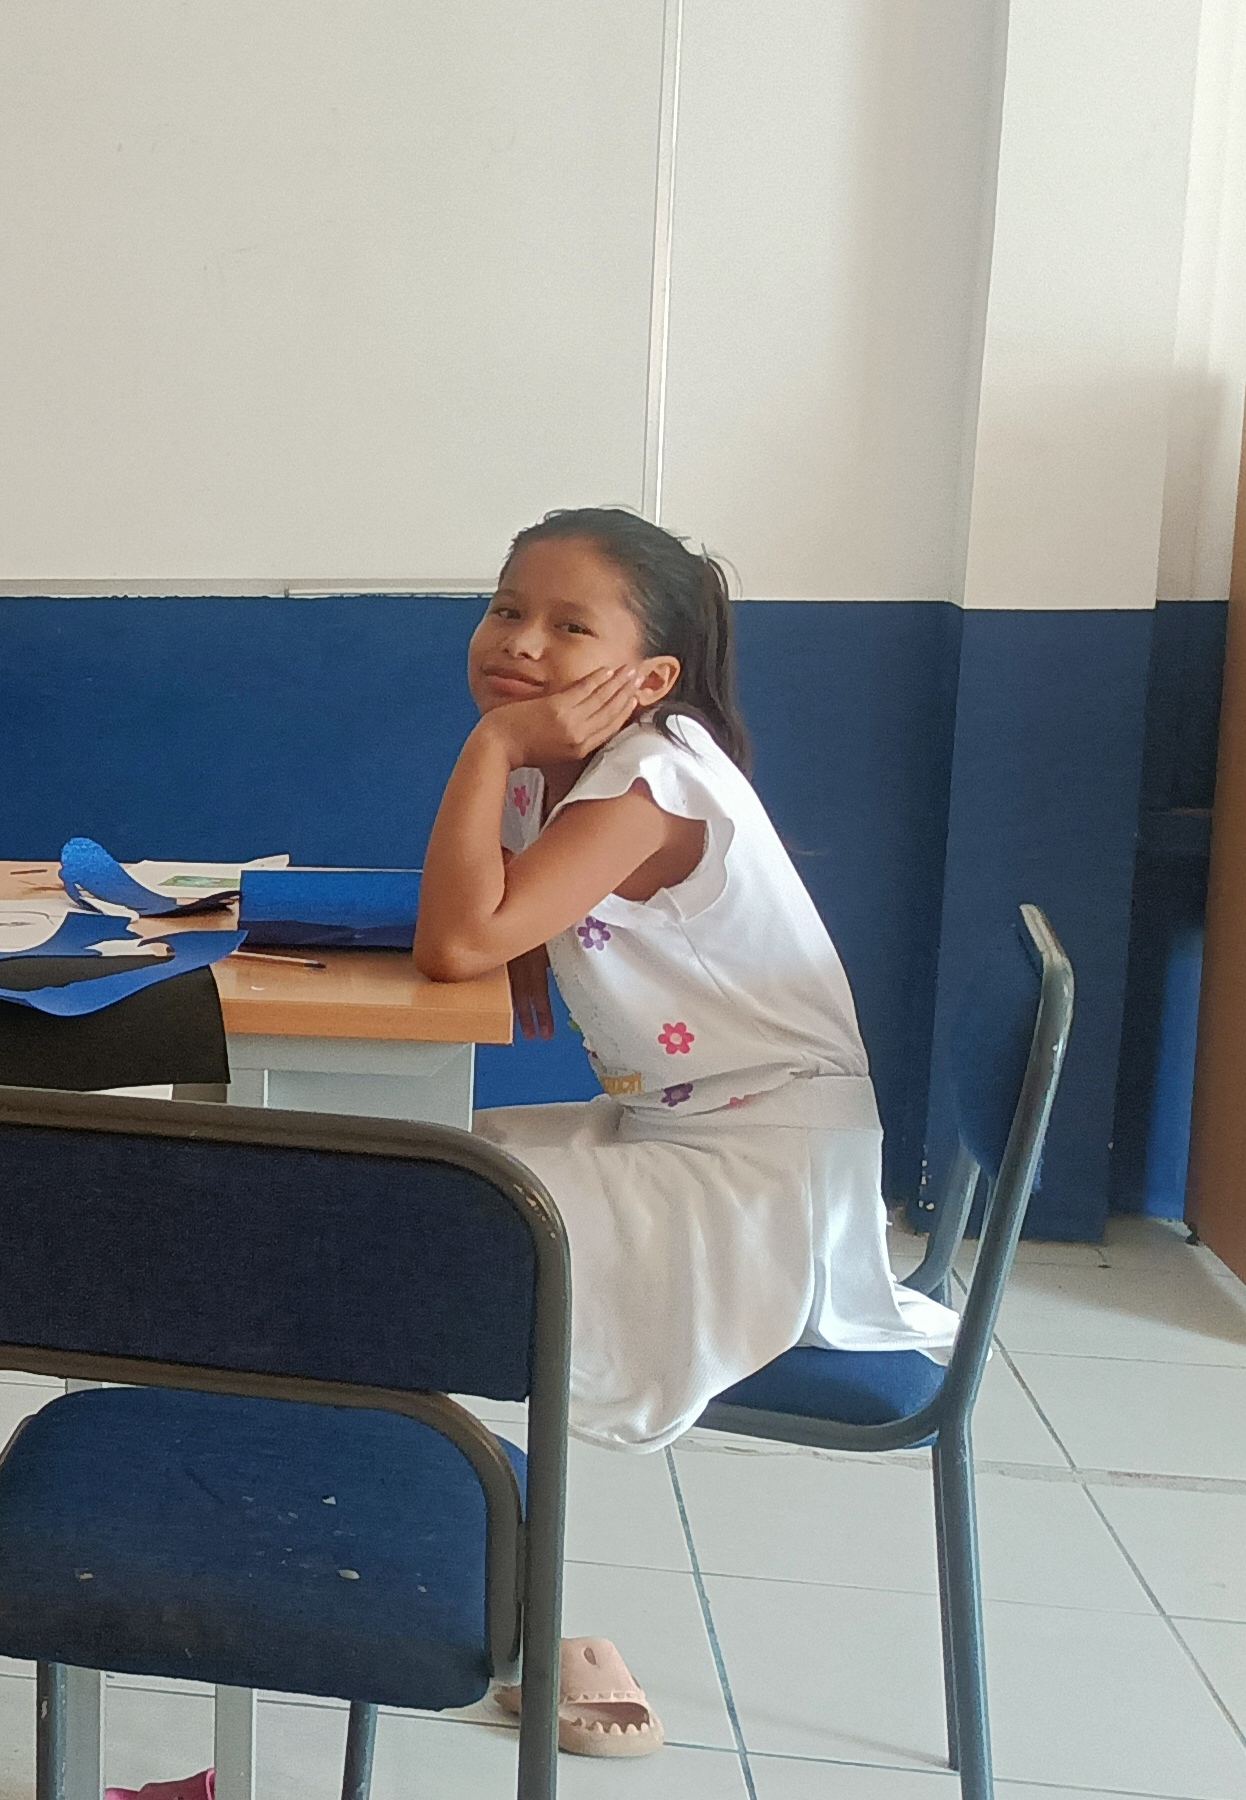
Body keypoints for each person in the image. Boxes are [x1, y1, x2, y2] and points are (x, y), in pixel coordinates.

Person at [410, 506, 960, 1754]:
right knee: (412, 1162)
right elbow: (487, 935)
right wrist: (514, 850)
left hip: (753, 1179)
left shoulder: (645, 783)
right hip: (692, 1133)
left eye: (570, 627)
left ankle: (507, 1611)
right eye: (507, 609)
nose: (522, 643)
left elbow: (454, 944)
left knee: (415, 1216)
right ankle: (475, 1584)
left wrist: (491, 745)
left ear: (648, 678)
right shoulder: (589, 768)